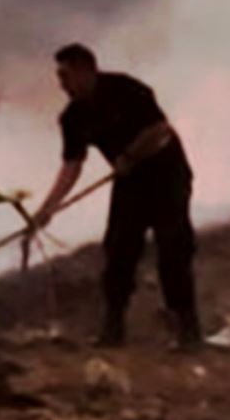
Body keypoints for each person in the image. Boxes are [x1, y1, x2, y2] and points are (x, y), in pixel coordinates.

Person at [30, 44, 202, 350]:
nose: (62, 85)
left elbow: (161, 129)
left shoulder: (128, 90)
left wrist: (130, 154)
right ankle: (113, 328)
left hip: (167, 175)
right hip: (130, 182)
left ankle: (188, 329)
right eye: (59, 77)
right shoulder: (73, 117)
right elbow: (72, 166)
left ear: (86, 71)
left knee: (173, 249)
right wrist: (47, 209)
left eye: (66, 76)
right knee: (119, 250)